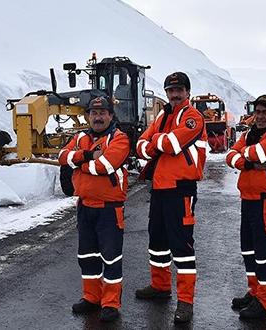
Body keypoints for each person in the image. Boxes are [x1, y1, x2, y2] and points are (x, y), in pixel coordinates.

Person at [134, 72, 208, 323]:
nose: (174, 94)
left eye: (179, 90)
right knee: (157, 241)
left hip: (181, 190)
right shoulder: (164, 115)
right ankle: (160, 286)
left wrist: (155, 141)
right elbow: (140, 145)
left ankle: (186, 302)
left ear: (187, 92)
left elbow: (173, 144)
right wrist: (157, 141)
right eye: (170, 90)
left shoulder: (192, 117)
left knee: (182, 247)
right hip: (160, 189)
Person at [58, 95, 130, 322]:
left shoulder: (119, 138)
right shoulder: (81, 137)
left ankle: (110, 303)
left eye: (102, 113)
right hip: (85, 207)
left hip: (109, 209)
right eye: (93, 113)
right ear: (88, 116)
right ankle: (91, 297)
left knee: (110, 258)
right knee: (88, 256)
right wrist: (87, 155)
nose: (98, 117)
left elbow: (106, 166)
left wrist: (79, 165)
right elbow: (62, 157)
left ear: (111, 115)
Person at [225, 94, 266, 319]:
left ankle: (264, 301)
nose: (260, 117)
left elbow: (257, 152)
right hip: (248, 200)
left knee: (264, 254)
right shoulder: (250, 133)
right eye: (258, 112)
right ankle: (254, 292)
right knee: (249, 251)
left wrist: (245, 155)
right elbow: (230, 157)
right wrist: (250, 162)